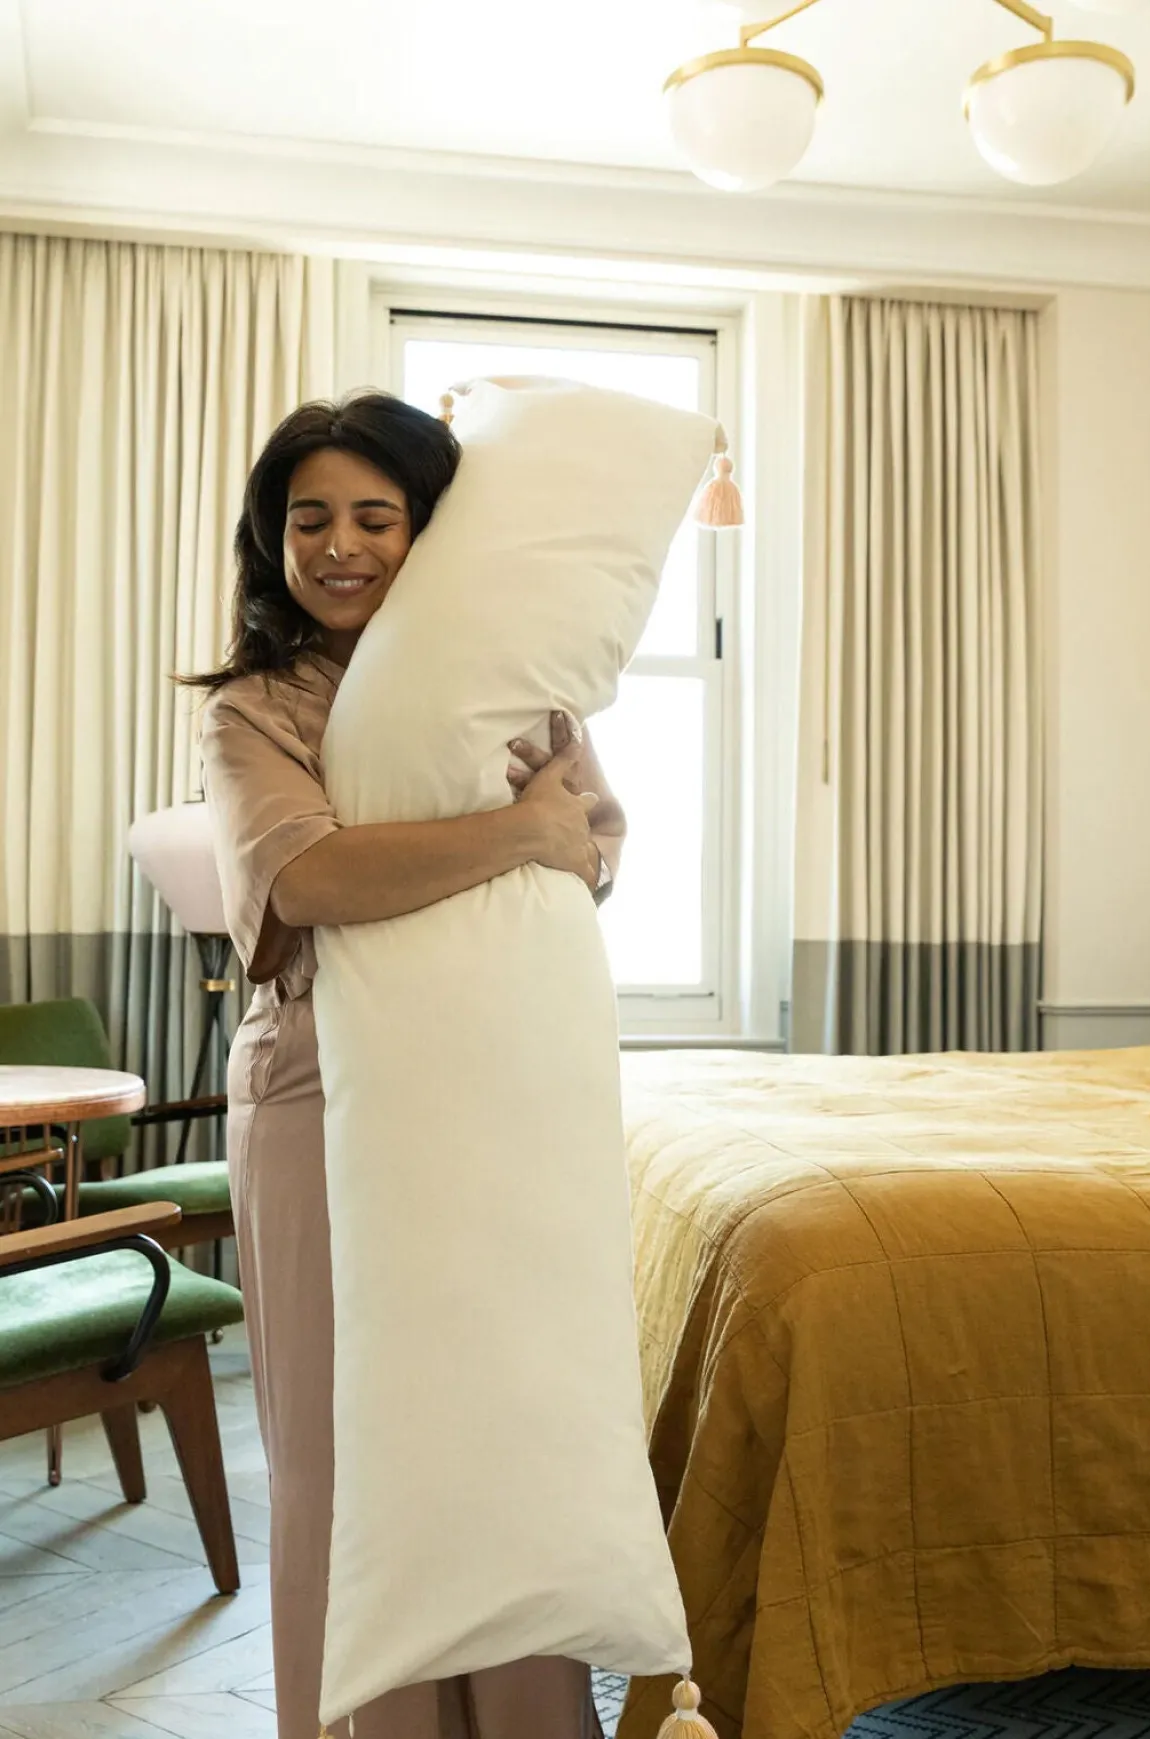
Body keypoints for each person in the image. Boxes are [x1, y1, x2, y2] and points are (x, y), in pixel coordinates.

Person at [190, 392, 627, 1739]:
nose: (340, 545)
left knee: (501, 1441)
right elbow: (308, 877)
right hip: (315, 1096)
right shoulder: (255, 711)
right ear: (273, 541)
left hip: (489, 1090)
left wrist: (548, 842)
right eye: (308, 519)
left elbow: (597, 847)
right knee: (341, 1456)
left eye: (376, 517)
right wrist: (512, 837)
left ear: (429, 532)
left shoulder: (510, 684)